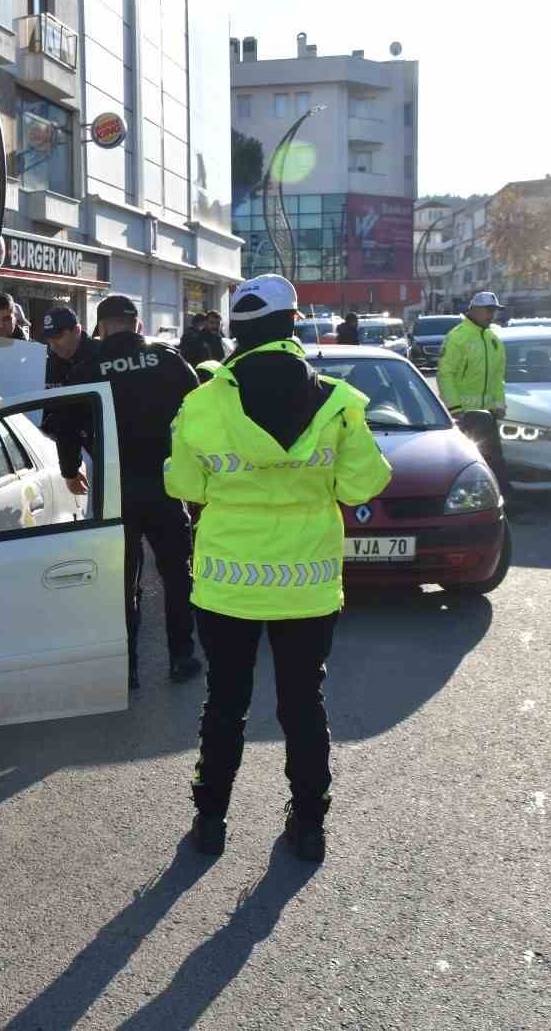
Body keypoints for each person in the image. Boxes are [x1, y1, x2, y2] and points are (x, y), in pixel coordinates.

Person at [164, 274, 392, 863]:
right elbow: (366, 482)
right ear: (293, 323)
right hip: (307, 586)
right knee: (301, 705)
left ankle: (210, 820)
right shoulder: (339, 403)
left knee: (225, 703)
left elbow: (185, 484)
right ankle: (309, 827)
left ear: (234, 331)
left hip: (225, 585)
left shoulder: (202, 402)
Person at [72, 294, 204, 689]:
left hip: (117, 489)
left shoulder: (88, 369)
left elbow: (64, 422)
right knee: (177, 576)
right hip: (167, 483)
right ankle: (181, 657)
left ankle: (125, 668)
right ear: (138, 325)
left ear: (102, 327)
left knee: (121, 581)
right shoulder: (167, 359)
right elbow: (199, 411)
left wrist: (67, 468)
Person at [438, 290, 515, 512]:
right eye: (488, 310)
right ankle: (466, 509)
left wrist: (498, 406)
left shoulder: (493, 340)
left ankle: (505, 505)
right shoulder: (458, 336)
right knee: (464, 467)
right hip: (464, 415)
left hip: (487, 415)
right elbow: (445, 374)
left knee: (495, 463)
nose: (492, 315)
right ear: (475, 309)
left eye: (495, 311)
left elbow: (497, 378)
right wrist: (455, 409)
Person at [39, 304, 98, 471]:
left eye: (58, 336)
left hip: (101, 450)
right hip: (59, 453)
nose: (53, 344)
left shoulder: (99, 358)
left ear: (77, 330)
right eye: (49, 338)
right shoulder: (48, 364)